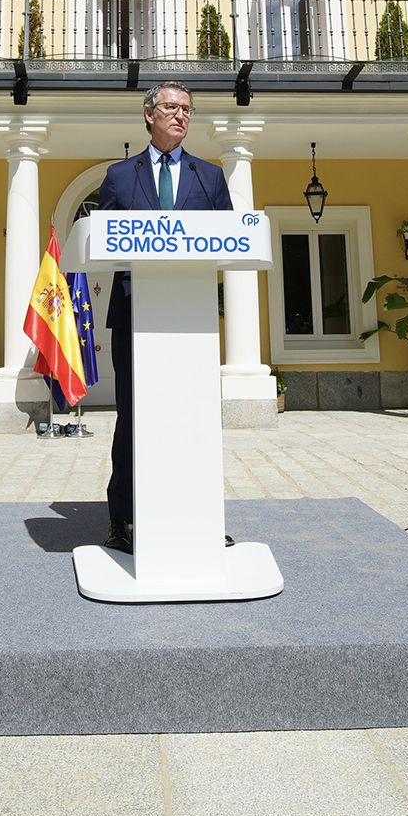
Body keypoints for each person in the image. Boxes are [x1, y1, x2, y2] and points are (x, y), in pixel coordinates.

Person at [91, 81, 232, 554]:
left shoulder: (209, 177)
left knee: (192, 415)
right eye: (171, 107)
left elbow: (230, 238)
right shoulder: (119, 177)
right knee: (133, 416)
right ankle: (122, 519)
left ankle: (199, 515)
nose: (181, 116)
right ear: (149, 115)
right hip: (134, 315)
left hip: (189, 318)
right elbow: (103, 243)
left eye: (187, 109)